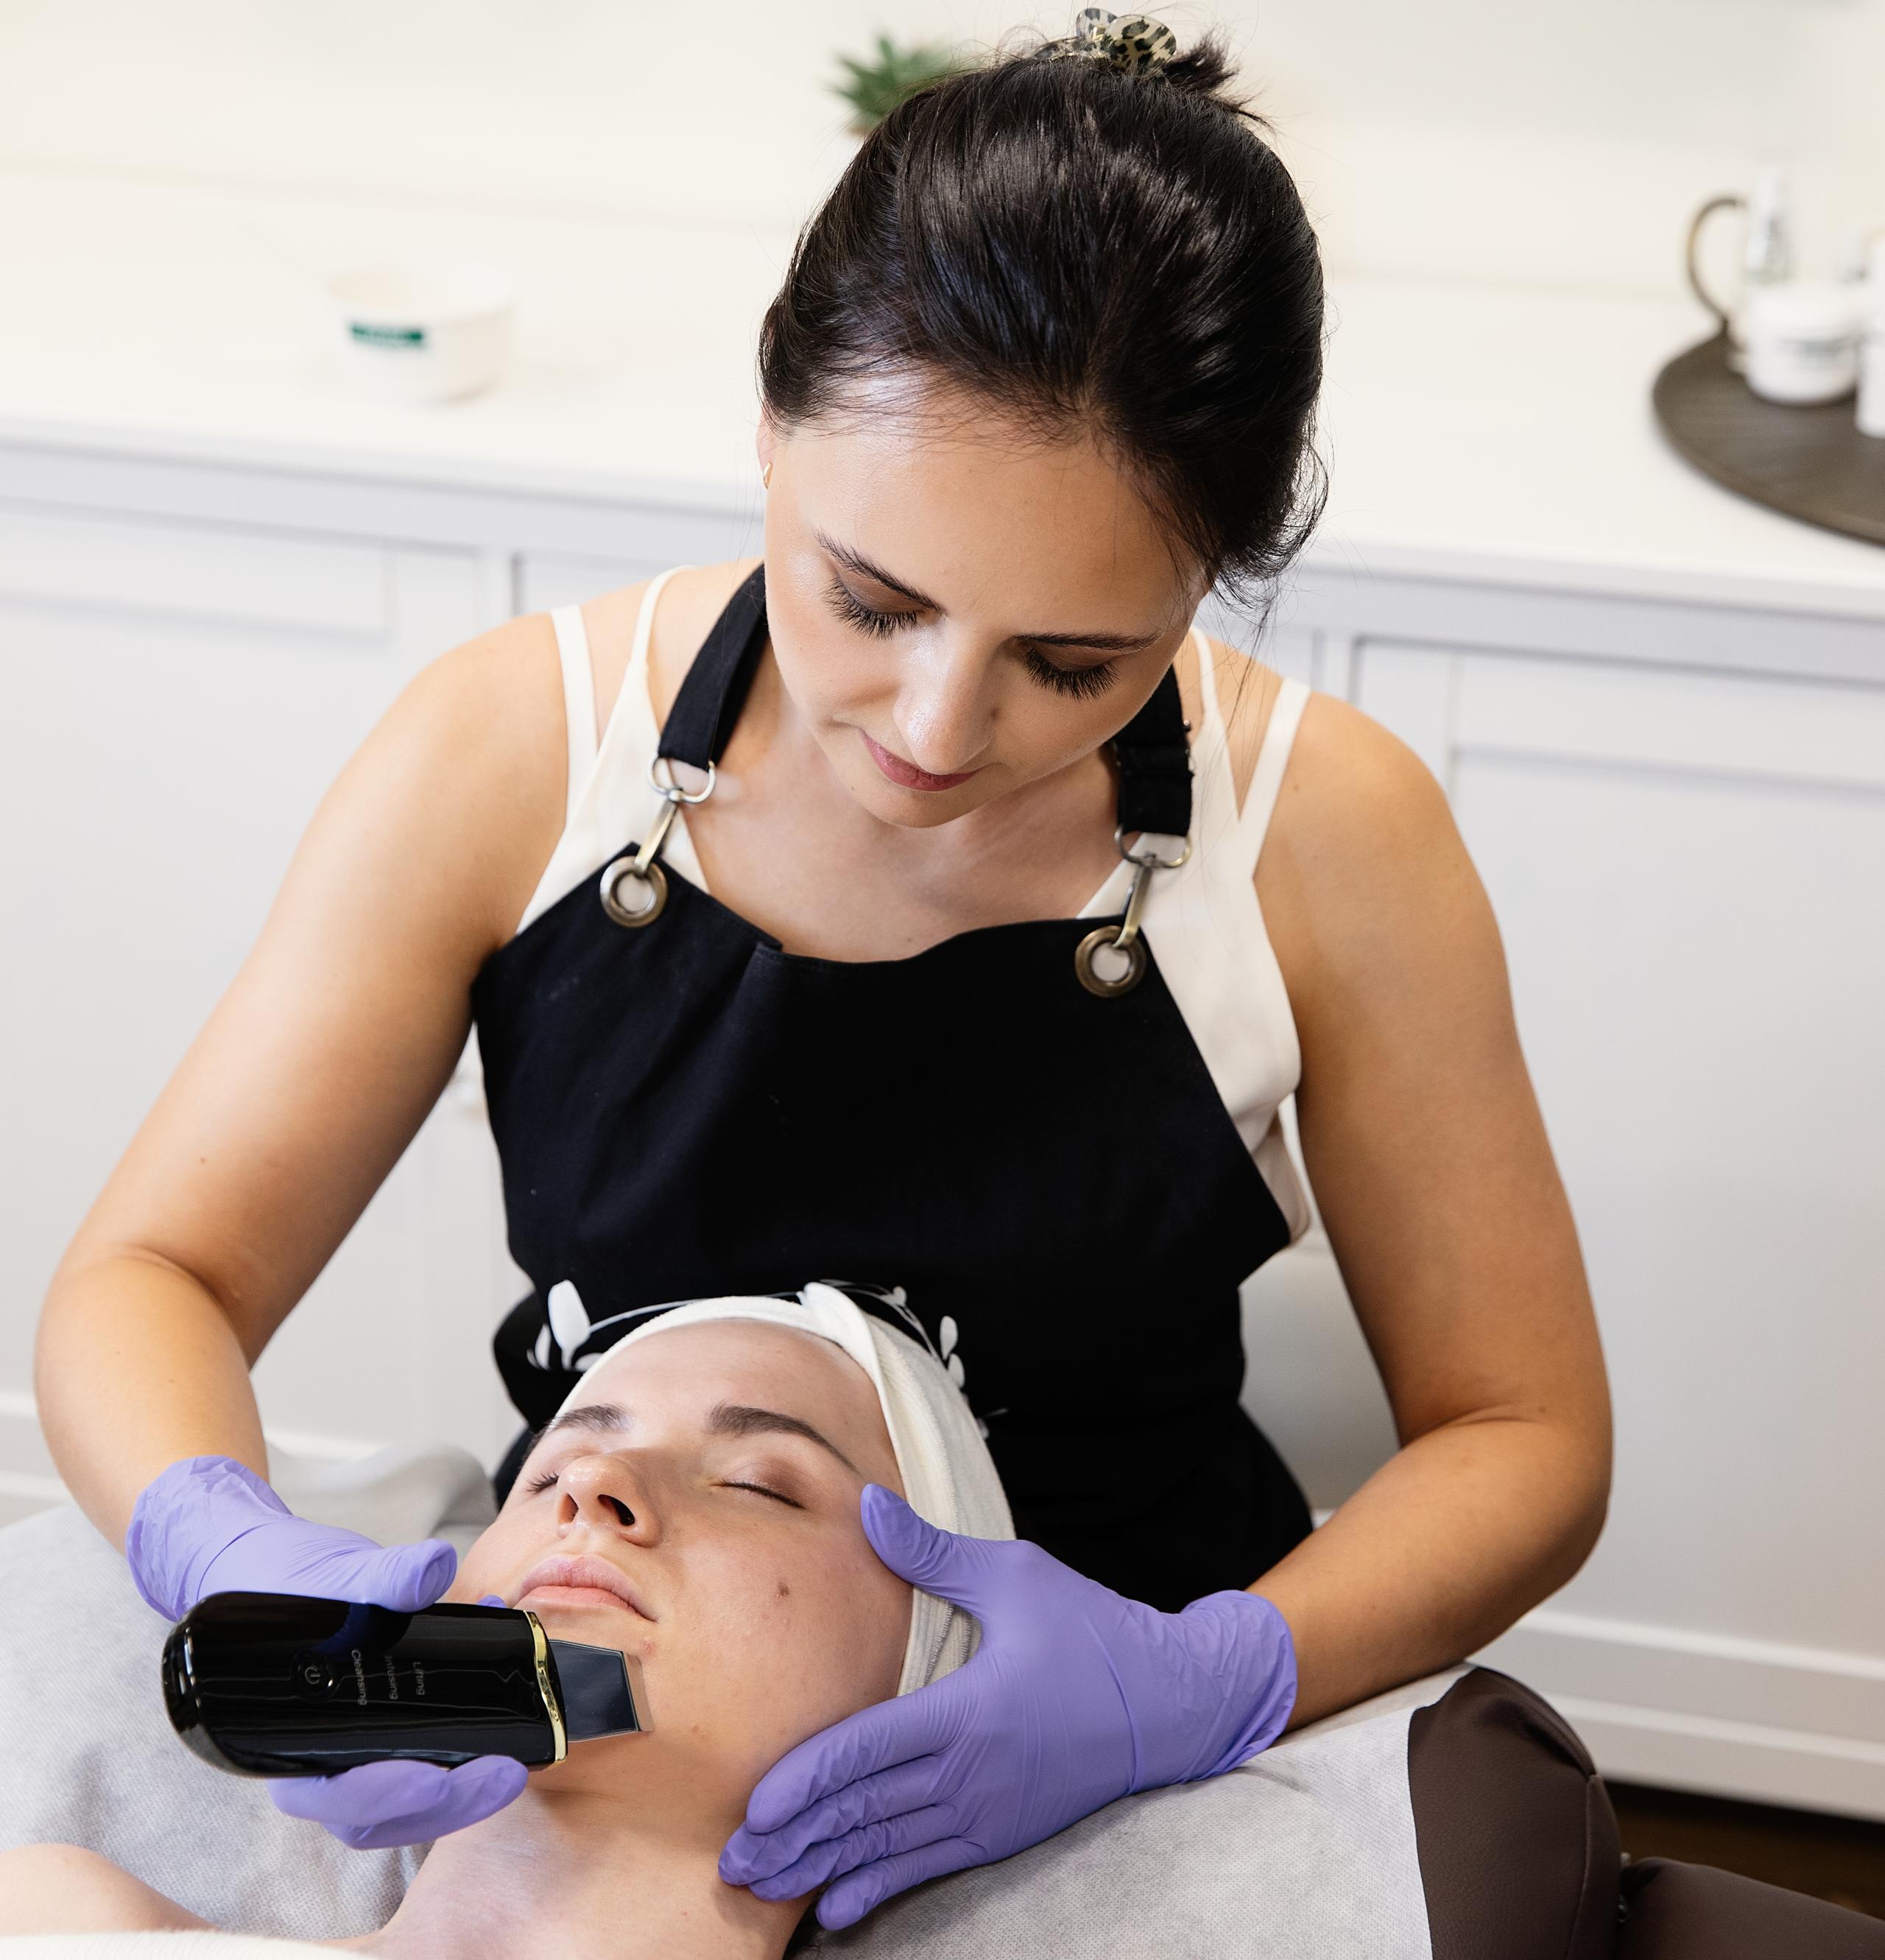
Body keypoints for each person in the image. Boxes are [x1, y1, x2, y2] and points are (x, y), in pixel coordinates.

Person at [32, 6, 1612, 1933]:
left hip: (1110, 1692)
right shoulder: (516, 756)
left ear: (1208, 583)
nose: (942, 727)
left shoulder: (1330, 837)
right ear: (772, 427)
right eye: (871, 597)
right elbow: (153, 1274)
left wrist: (1203, 1677)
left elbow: (1525, 1432)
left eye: (1076, 660)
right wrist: (224, 1546)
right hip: (632, 1659)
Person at [0, 1289, 1012, 1953]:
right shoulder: (60, 1911)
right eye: (546, 1472)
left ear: (930, 1675)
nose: (594, 1483)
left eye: (756, 1483)